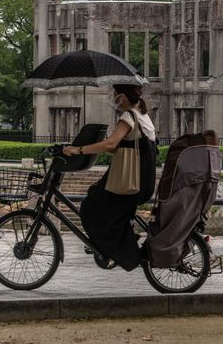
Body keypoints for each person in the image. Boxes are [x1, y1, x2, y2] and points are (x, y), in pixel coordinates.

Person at [63, 84, 157, 271]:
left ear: (122, 97)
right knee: (97, 195)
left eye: (115, 95)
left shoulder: (128, 117)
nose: (113, 99)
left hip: (130, 182)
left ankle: (116, 251)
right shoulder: (143, 116)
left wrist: (78, 149)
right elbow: (120, 146)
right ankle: (118, 243)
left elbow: (111, 144)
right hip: (144, 181)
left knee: (90, 207)